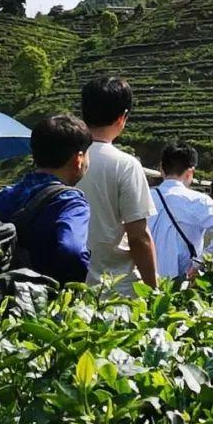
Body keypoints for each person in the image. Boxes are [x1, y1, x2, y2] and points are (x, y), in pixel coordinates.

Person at [76, 76, 159, 296]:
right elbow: (139, 237)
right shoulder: (125, 165)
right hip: (115, 290)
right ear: (122, 118)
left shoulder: (65, 160)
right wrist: (153, 290)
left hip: (71, 288)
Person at [0, 114, 93, 283]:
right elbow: (72, 251)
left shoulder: (5, 195)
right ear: (78, 159)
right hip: (41, 300)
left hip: (1, 296)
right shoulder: (70, 202)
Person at [148, 143, 213, 279]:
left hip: (146, 281)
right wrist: (199, 264)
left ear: (161, 168)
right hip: (185, 281)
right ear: (190, 173)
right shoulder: (199, 200)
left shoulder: (144, 197)